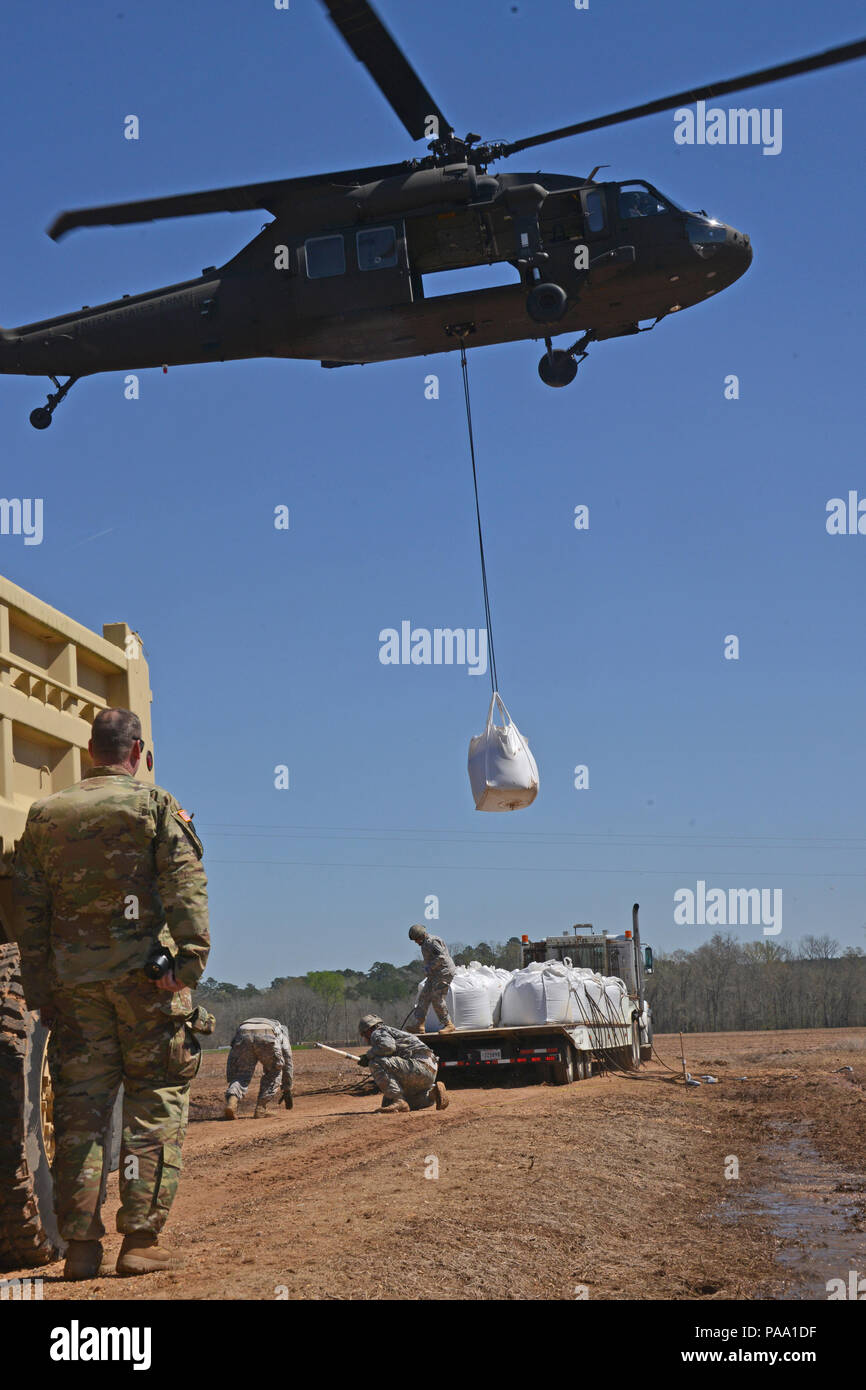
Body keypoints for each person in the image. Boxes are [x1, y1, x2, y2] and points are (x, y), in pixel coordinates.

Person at [13, 708, 210, 1281]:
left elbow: (28, 909)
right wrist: (189, 963)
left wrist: (42, 986)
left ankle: (80, 1249)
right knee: (152, 1106)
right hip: (148, 985)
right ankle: (140, 1241)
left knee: (80, 1114)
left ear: (90, 751)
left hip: (76, 990)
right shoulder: (153, 804)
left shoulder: (45, 815)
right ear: (139, 751)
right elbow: (185, 884)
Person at [357, 1014, 448, 1113]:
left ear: (368, 1030)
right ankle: (432, 1094)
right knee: (387, 1102)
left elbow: (388, 1047)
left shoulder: (378, 1032)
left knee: (375, 1061)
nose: (365, 1039)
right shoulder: (390, 1032)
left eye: (363, 1035)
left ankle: (398, 1100)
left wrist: (369, 1056)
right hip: (429, 1071)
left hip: (418, 1066)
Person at [224, 1017, 294, 1118]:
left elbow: (232, 1056)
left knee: (241, 1075)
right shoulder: (281, 1032)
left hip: (243, 1034)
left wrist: (231, 1074)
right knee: (274, 1073)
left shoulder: (253, 1023)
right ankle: (261, 1108)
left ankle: (232, 1101)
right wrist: (287, 1089)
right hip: (267, 1036)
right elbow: (288, 1061)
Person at [405, 924, 456, 1033]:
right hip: (435, 974)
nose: (416, 942)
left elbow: (442, 957)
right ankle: (420, 1025)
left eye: (417, 939)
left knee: (436, 998)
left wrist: (429, 967)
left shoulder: (432, 942)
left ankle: (449, 1024)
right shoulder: (424, 944)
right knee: (424, 996)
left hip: (444, 973)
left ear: (422, 936)